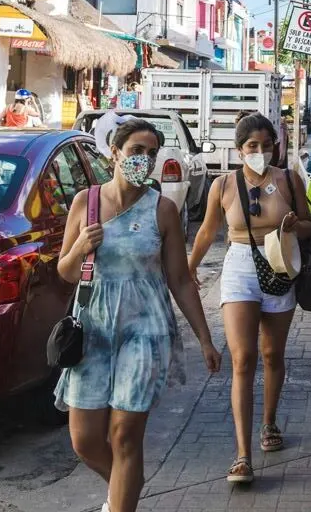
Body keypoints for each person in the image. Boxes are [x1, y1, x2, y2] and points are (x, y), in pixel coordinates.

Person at [55, 116, 221, 512]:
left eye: (150, 154)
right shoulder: (86, 202)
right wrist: (80, 247)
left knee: (126, 435)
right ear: (114, 152)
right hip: (93, 327)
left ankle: (121, 503)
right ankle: (124, 491)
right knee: (85, 440)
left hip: (145, 329)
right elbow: (65, 271)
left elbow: (180, 280)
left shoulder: (161, 209)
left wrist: (204, 338)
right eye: (135, 151)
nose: (143, 160)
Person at [189, 113, 311, 485]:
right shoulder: (223, 185)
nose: (260, 152)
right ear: (239, 149)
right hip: (241, 267)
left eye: (266, 145)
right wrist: (188, 268)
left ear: (275, 146)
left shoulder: (289, 180)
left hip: (280, 265)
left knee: (272, 354)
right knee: (242, 359)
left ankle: (269, 422)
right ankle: (242, 455)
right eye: (252, 146)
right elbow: (208, 231)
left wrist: (294, 224)